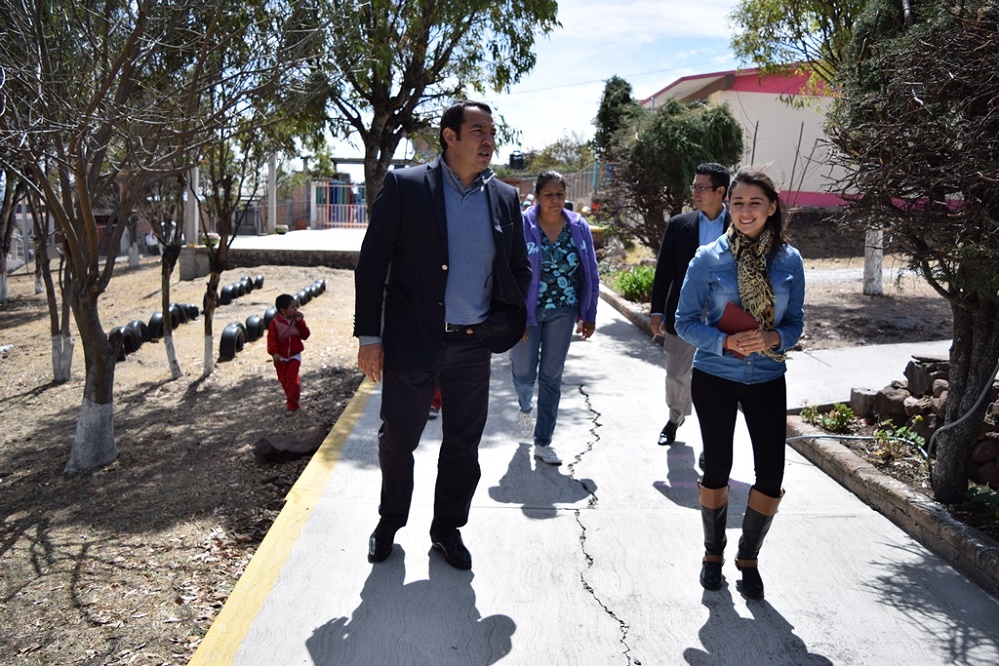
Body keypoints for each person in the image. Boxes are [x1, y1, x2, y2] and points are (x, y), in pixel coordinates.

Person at [353, 100, 531, 571]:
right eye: (477, 131)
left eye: (491, 131)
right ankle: (390, 520)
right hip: (413, 339)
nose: (488, 140)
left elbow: (518, 269)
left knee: (463, 442)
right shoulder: (406, 186)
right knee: (398, 438)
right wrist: (369, 336)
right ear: (449, 137)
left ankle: (447, 529)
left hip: (472, 345)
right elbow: (372, 265)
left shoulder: (505, 198)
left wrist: (508, 323)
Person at [674, 167, 805, 600]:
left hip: (768, 377)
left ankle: (748, 556)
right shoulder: (708, 258)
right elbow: (684, 322)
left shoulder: (790, 261)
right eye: (737, 203)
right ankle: (714, 553)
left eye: (754, 203)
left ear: (771, 207)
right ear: (727, 206)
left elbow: (796, 324)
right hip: (716, 375)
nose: (745, 211)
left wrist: (773, 337)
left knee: (770, 475)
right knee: (717, 468)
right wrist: (724, 340)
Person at [511, 170, 599, 466]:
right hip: (526, 313)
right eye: (548, 194)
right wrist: (513, 315)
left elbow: (591, 271)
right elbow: (507, 270)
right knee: (524, 373)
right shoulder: (522, 224)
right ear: (536, 196)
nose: (555, 200)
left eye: (560, 194)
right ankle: (525, 409)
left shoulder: (577, 226)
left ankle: (543, 441)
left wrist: (589, 314)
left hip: (564, 309)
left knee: (551, 377)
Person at [649, 164, 732, 446]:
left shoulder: (739, 224)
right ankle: (675, 418)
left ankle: (714, 442)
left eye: (701, 187)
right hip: (685, 314)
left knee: (717, 381)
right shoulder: (679, 225)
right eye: (693, 186)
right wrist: (657, 311)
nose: (694, 192)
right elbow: (664, 272)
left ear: (720, 191)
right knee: (676, 374)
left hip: (725, 317)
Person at [267, 294, 311, 416]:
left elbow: (305, 335)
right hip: (280, 358)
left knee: (292, 382)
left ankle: (292, 406)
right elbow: (271, 339)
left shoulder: (297, 321)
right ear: (283, 310)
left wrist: (300, 323)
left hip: (294, 356)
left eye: (296, 306)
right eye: (292, 307)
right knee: (284, 381)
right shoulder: (275, 323)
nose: (296, 309)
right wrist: (274, 353)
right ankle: (292, 396)